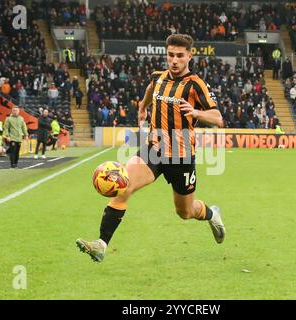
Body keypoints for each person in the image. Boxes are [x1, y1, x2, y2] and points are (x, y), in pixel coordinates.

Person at [76, 34, 226, 263]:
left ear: (189, 56)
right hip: (152, 148)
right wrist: (144, 107)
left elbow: (218, 118)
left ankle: (211, 213)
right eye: (170, 55)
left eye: (179, 56)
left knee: (185, 212)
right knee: (123, 187)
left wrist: (197, 113)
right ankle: (101, 244)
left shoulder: (196, 84)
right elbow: (150, 89)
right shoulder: (158, 78)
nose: (174, 60)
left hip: (181, 156)